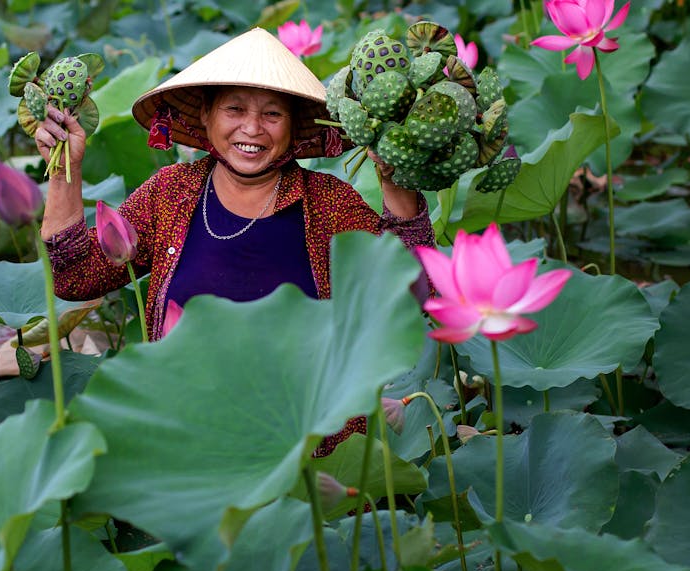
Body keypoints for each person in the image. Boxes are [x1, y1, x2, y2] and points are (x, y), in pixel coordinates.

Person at [34, 28, 436, 456]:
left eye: (272, 114)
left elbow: (411, 294)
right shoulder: (170, 191)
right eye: (234, 109)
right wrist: (64, 171)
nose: (251, 128)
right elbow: (75, 278)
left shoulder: (329, 202)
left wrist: (397, 183)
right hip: (188, 441)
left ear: (295, 125)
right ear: (206, 116)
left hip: (308, 448)